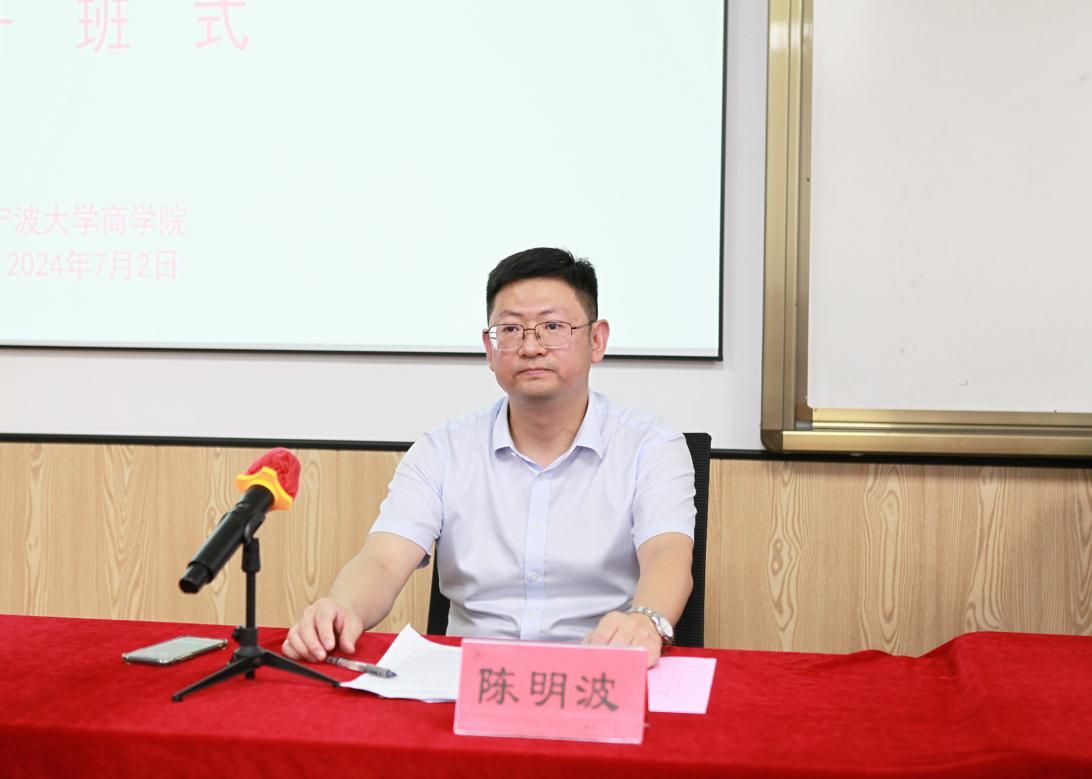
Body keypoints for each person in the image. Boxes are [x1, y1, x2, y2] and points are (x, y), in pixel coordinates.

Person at [282, 247, 695, 667]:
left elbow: (667, 553)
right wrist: (343, 607)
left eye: (552, 327)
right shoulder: (443, 449)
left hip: (599, 667)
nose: (530, 347)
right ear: (489, 347)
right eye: (511, 330)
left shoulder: (650, 446)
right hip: (469, 677)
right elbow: (384, 560)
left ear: (597, 340)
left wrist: (646, 620)